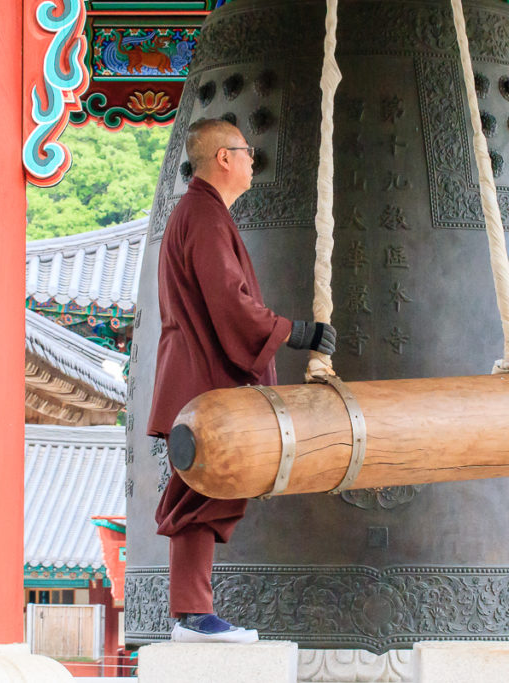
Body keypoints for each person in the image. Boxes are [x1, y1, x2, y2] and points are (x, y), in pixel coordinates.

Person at [146, 118, 336, 643]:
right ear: (223, 158)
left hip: (197, 379)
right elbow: (230, 302)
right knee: (198, 495)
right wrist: (295, 333)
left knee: (203, 493)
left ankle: (192, 613)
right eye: (247, 151)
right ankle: (192, 615)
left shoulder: (201, 213)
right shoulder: (203, 216)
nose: (254, 160)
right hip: (200, 383)